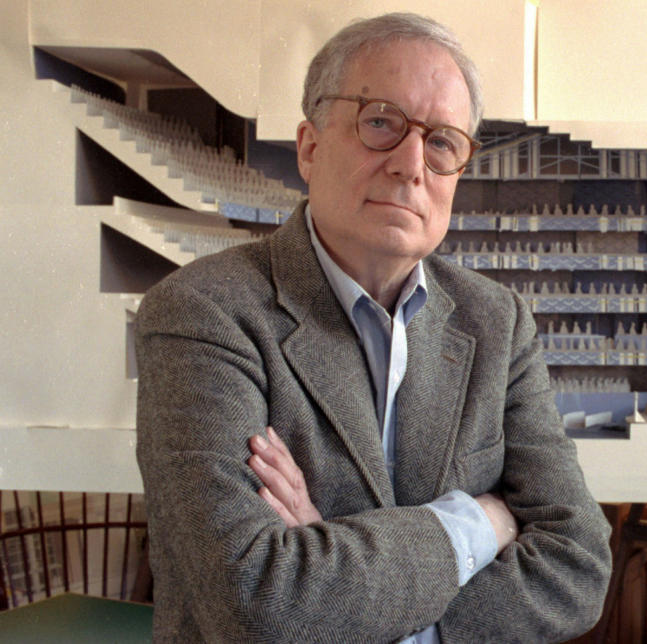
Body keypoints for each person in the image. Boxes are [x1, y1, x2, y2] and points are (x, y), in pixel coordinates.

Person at [136, 12, 611, 643]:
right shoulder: (203, 314)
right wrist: (479, 523)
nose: (412, 165)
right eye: (381, 122)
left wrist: (349, 591)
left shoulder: (497, 323)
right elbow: (257, 603)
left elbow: (578, 567)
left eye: (442, 142)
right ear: (309, 145)